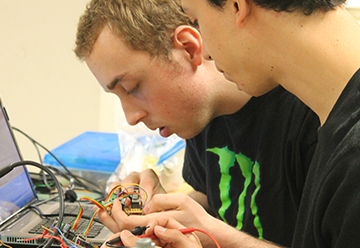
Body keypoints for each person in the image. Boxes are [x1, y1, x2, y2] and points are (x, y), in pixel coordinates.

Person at [74, 0, 319, 247]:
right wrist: (161, 212)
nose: (131, 117)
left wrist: (215, 234)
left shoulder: (310, 116)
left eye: (132, 87)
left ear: (189, 49)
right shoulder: (196, 115)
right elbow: (215, 201)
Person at [179, 0, 360, 247]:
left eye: (196, 21)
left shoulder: (353, 155)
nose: (207, 53)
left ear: (236, 6)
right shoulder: (336, 125)